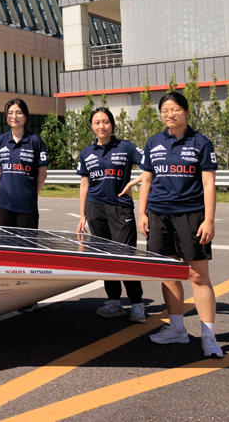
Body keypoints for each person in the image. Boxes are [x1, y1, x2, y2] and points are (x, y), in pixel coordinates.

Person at [138, 91, 222, 357]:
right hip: (159, 216)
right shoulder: (153, 142)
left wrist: (209, 220)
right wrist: (143, 213)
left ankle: (209, 337)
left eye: (174, 109)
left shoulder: (200, 142)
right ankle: (177, 330)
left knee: (198, 276)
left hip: (191, 216)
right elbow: (147, 180)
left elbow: (209, 184)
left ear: (186, 112)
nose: (169, 114)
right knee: (169, 273)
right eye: (164, 110)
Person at [76, 107, 146, 322]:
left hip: (120, 208)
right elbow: (84, 184)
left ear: (112, 124)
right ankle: (114, 302)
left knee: (125, 256)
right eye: (97, 122)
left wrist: (134, 182)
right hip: (95, 208)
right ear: (91, 126)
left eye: (105, 122)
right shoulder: (86, 153)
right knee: (105, 256)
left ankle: (137, 304)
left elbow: (151, 165)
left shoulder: (126, 147)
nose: (101, 126)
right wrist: (82, 215)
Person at [0, 98, 48, 229]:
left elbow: (43, 174)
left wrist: (30, 194)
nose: (14, 116)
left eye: (18, 112)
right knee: (6, 243)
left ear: (26, 116)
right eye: (10, 113)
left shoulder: (35, 141)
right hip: (3, 203)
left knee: (27, 247)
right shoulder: (0, 141)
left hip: (27, 205)